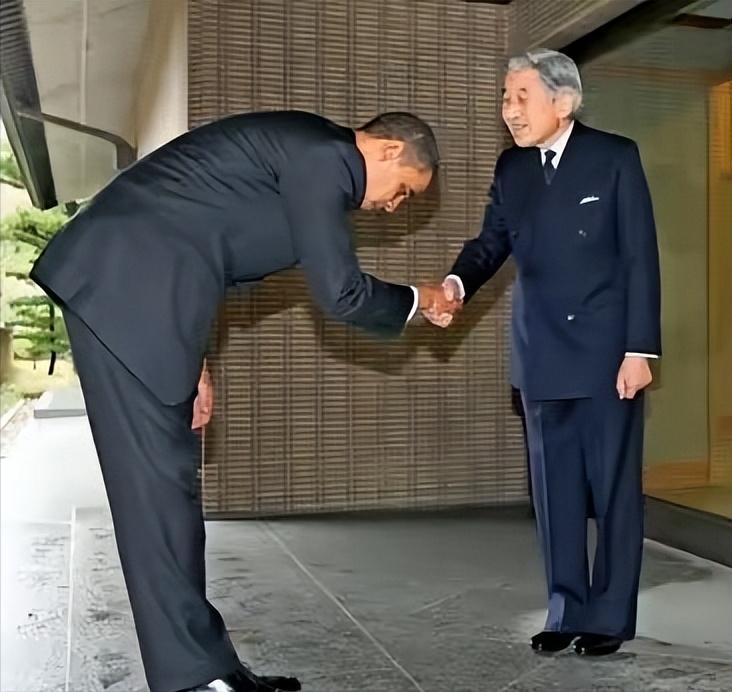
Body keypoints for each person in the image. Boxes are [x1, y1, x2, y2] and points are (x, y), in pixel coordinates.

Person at [30, 110, 458, 692]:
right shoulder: (324, 158)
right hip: (122, 287)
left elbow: (204, 243)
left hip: (148, 296)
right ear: (385, 150)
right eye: (405, 189)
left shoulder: (311, 160)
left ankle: (210, 670)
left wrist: (195, 361)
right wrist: (419, 297)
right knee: (156, 499)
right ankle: (190, 680)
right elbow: (341, 293)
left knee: (170, 495)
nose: (397, 205)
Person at [426, 50, 661, 657]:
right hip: (540, 353)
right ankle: (566, 609)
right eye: (505, 98)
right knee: (552, 491)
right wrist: (454, 285)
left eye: (521, 97)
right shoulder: (512, 169)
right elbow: (489, 244)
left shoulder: (615, 156)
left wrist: (640, 349)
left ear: (565, 101)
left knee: (611, 489)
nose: (509, 111)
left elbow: (639, 258)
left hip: (609, 354)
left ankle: (608, 616)